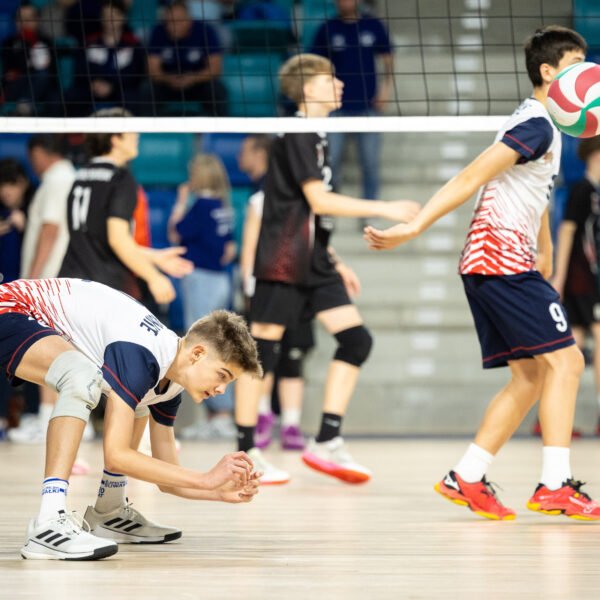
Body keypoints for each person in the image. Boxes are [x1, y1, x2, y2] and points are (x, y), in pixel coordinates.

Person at [364, 26, 600, 520]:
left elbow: (534, 192)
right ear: (548, 72)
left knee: (530, 376)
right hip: (500, 262)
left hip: (499, 262)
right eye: (576, 66)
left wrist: (545, 248)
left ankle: (466, 476)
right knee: (568, 363)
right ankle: (555, 485)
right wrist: (414, 227)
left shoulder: (545, 125)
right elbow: (472, 175)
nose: (588, 76)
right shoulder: (536, 124)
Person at [235, 53, 419, 484]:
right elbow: (318, 201)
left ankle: (327, 440)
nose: (339, 83)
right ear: (307, 89)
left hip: (313, 259)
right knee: (260, 355)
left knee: (356, 341)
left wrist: (333, 258)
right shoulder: (298, 131)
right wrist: (385, 207)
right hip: (283, 259)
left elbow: (308, 212)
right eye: (329, 78)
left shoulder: (318, 133)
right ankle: (246, 454)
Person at [0, 277, 262, 560]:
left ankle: (109, 511)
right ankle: (48, 521)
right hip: (10, 306)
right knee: (79, 376)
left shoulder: (169, 381)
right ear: (198, 354)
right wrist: (205, 479)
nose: (222, 389)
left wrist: (216, 491)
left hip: (29, 315)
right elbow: (117, 456)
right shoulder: (142, 354)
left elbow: (167, 478)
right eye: (222, 375)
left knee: (137, 402)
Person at [58, 107, 192, 305]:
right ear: (115, 139)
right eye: (130, 130)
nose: (136, 135)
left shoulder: (81, 176)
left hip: (70, 284)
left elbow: (99, 240)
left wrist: (154, 257)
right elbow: (117, 240)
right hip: (104, 288)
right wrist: (154, 277)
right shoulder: (120, 178)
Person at [7, 135, 79, 446]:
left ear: (40, 152)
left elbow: (50, 229)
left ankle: (50, 420)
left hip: (46, 282)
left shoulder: (56, 180)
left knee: (46, 351)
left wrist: (32, 279)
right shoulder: (66, 177)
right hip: (56, 280)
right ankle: (57, 418)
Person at [168, 154, 237, 440]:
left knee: (202, 346)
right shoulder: (223, 207)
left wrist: (181, 201)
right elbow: (229, 249)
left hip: (202, 280)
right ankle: (217, 415)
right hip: (221, 279)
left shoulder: (201, 207)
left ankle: (220, 414)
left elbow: (175, 233)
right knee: (215, 344)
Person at [310, 0, 393, 213]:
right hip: (335, 109)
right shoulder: (327, 28)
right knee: (330, 163)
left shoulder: (372, 25)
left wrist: (386, 89)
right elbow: (314, 67)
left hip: (368, 107)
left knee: (370, 164)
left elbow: (388, 58)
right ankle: (330, 211)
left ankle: (371, 212)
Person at [551, 136, 600, 435]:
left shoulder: (593, 191)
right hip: (583, 280)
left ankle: (554, 419)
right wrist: (559, 276)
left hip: (583, 280)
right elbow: (566, 231)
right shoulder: (583, 190)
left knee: (574, 346)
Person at [66, 0, 146, 117]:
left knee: (135, 97)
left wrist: (112, 86)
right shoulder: (89, 42)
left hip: (121, 90)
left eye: (114, 15)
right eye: (106, 15)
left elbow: (136, 72)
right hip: (92, 88)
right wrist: (93, 82)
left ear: (123, 17)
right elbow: (80, 68)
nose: (110, 20)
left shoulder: (133, 43)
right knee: (72, 96)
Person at [146, 0, 226, 116]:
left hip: (198, 82)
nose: (172, 26)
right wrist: (168, 79)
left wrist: (192, 78)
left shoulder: (205, 31)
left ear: (189, 20)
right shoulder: (158, 31)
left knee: (216, 90)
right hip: (168, 83)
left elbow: (215, 69)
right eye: (169, 22)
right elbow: (153, 70)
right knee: (147, 89)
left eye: (178, 21)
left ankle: (217, 126)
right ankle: (149, 126)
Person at [1, 3, 59, 116]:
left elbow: (53, 72)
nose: (25, 22)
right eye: (21, 19)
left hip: (43, 85)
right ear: (16, 21)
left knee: (55, 96)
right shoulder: (9, 43)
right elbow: (14, 68)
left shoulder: (46, 41)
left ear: (38, 20)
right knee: (41, 74)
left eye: (30, 18)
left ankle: (26, 106)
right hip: (17, 85)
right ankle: (25, 106)